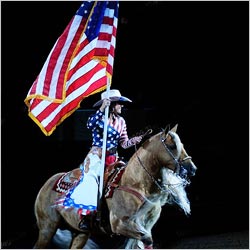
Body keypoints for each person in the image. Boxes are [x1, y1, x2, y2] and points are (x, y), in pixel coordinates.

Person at [61, 89, 143, 231]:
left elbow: (124, 143)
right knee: (91, 180)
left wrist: (134, 141)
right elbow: (90, 125)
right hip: (96, 156)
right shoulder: (98, 117)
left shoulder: (121, 121)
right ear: (111, 104)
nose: (121, 106)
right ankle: (86, 216)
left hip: (113, 157)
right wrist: (101, 108)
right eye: (119, 104)